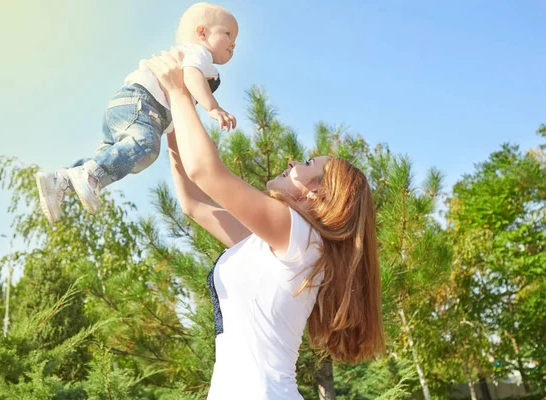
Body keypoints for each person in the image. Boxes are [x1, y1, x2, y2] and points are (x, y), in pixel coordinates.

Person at [146, 49, 385, 399]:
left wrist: (181, 93)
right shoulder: (282, 246)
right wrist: (172, 124)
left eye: (305, 162)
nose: (291, 161)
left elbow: (206, 172)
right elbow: (194, 204)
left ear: (318, 192)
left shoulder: (299, 236)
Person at [36, 2, 238, 223]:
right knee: (146, 147)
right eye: (228, 34)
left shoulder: (189, 65)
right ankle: (90, 175)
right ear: (202, 32)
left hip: (125, 107)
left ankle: (59, 180)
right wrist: (214, 107)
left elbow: (181, 121)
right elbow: (192, 75)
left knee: (111, 156)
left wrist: (200, 141)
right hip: (142, 105)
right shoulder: (198, 53)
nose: (233, 43)